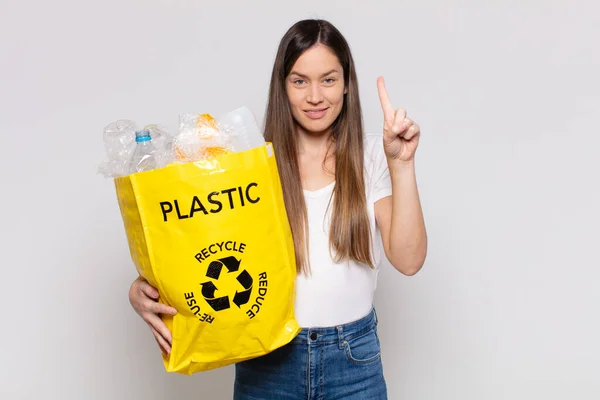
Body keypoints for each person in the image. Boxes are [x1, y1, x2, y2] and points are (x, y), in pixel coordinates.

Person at [129, 18, 427, 399]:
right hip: (268, 360)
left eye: (329, 79)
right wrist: (145, 288)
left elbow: (409, 259)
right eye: (300, 81)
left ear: (348, 83)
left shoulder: (371, 154)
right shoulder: (251, 164)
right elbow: (199, 246)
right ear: (283, 87)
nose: (315, 96)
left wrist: (401, 163)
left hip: (352, 363)